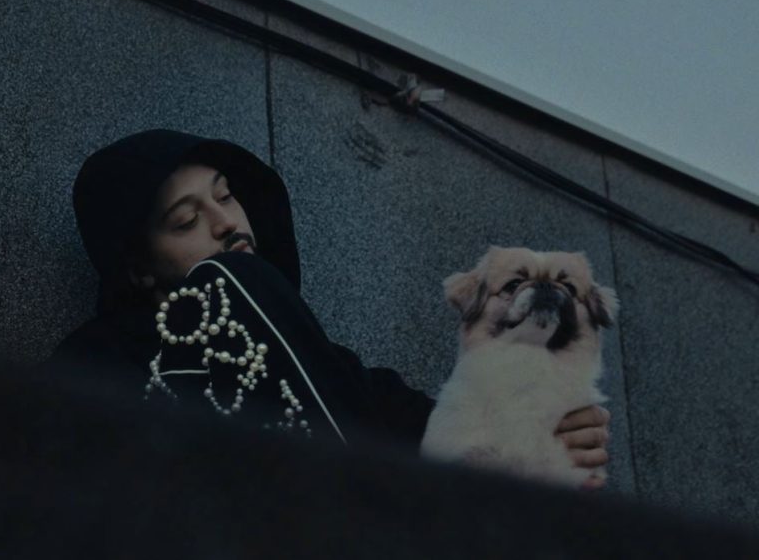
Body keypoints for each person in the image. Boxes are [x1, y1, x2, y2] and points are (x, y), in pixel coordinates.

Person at [46, 129, 610, 486]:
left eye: (225, 195)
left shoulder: (332, 371)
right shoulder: (97, 365)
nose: (225, 222)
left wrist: (545, 433)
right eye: (186, 220)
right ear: (138, 267)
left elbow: (456, 443)